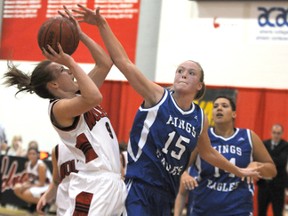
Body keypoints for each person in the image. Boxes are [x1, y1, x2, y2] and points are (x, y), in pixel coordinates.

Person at [72, 5, 261, 215]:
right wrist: (102, 24)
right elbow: (123, 62)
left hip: (166, 194)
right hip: (140, 187)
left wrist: (238, 170)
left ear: (199, 85)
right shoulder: (157, 96)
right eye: (180, 71)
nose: (183, 74)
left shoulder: (199, 117)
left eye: (191, 73)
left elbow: (208, 153)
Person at [3, 6, 126, 215]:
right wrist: (69, 59)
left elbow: (105, 63)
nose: (69, 70)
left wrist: (80, 35)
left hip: (112, 183)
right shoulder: (59, 108)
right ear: (54, 86)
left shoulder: (78, 96)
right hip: (93, 185)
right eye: (62, 70)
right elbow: (95, 97)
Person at [173, 95, 277, 216]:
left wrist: (257, 165)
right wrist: (184, 175)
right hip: (204, 209)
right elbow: (181, 167)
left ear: (234, 114)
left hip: (239, 209)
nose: (219, 108)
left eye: (224, 106)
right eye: (215, 106)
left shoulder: (248, 136)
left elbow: (272, 170)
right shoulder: (202, 137)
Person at [257, 123, 288, 216]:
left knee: (277, 212)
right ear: (271, 133)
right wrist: (271, 159)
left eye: (278, 133)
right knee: (261, 212)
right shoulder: (264, 143)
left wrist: (266, 159)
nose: (276, 135)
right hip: (264, 185)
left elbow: (281, 162)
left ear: (282, 133)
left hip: (278, 186)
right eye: (274, 132)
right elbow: (259, 159)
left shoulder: (285, 145)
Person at [37, 142, 76, 215]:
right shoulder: (57, 150)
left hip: (86, 204)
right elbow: (56, 181)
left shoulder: (93, 144)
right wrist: (46, 196)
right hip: (64, 205)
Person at [13, 147, 52, 211]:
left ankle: (44, 204)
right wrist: (25, 185)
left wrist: (27, 186)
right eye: (30, 154)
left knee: (27, 192)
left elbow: (42, 183)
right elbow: (30, 180)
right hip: (36, 185)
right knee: (17, 188)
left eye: (33, 154)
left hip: (46, 187)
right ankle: (35, 203)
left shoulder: (41, 166)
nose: (31, 155)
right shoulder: (28, 164)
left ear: (37, 155)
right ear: (27, 155)